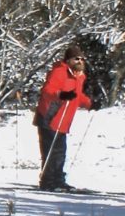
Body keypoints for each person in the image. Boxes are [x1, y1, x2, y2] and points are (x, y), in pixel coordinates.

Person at [33, 47, 93, 191]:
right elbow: (48, 91)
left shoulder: (79, 76)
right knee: (51, 151)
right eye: (76, 58)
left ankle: (58, 180)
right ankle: (48, 181)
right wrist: (62, 95)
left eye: (81, 59)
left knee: (60, 151)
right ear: (68, 60)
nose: (80, 61)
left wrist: (90, 103)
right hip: (50, 115)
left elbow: (77, 96)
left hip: (63, 120)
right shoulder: (59, 72)